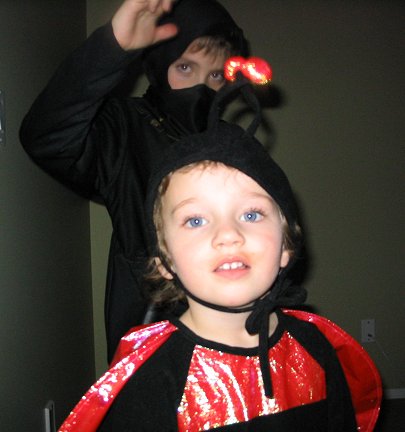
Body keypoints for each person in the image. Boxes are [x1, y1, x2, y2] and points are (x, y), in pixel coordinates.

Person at [57, 82, 381, 431]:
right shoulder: (150, 382)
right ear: (164, 261)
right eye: (195, 220)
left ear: (286, 246)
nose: (228, 234)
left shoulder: (316, 348)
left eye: (251, 214)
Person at [19, 0, 249, 362]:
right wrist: (112, 48)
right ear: (159, 64)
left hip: (236, 333)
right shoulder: (124, 127)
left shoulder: (233, 142)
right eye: (185, 67)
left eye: (216, 75)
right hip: (151, 334)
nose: (202, 87)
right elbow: (47, 136)